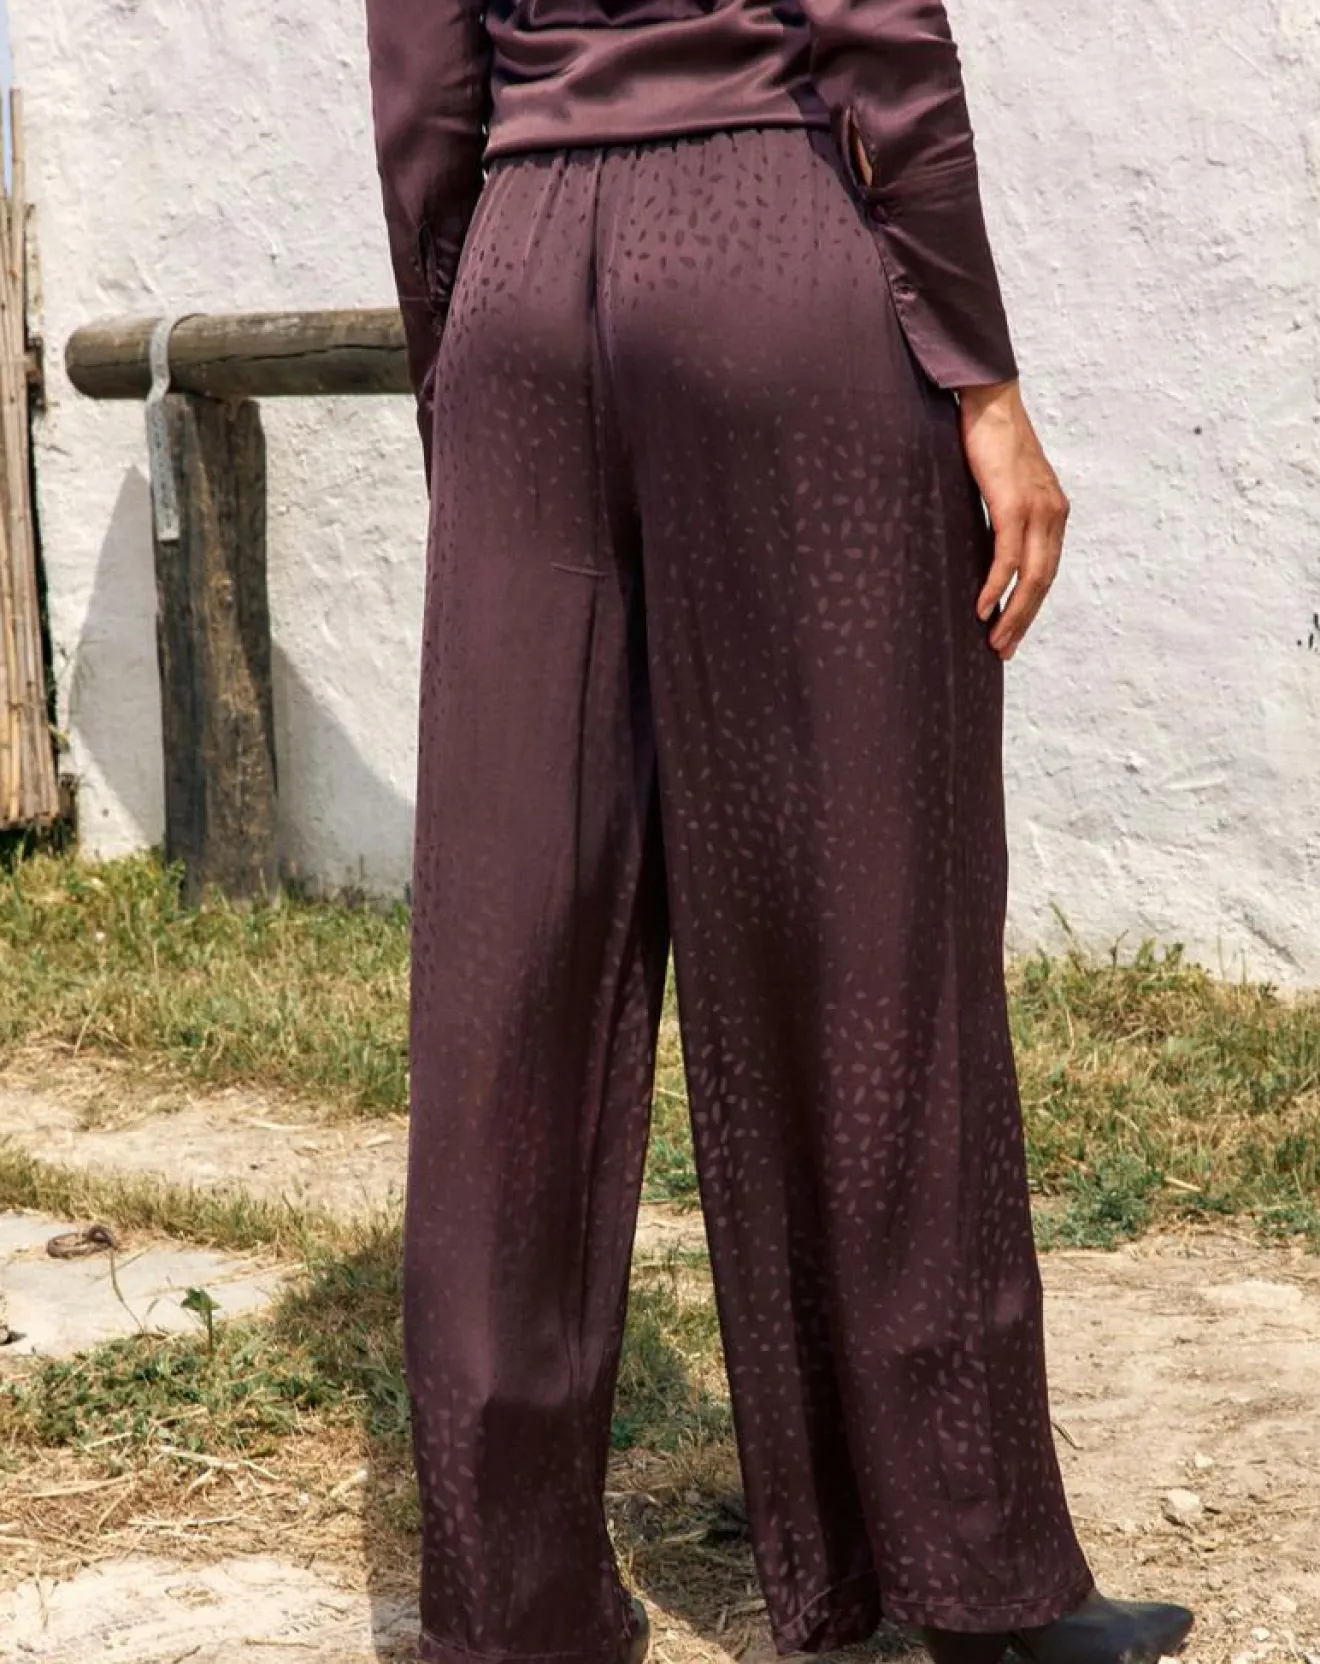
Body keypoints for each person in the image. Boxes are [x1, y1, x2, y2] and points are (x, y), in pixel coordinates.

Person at [360, 4, 1197, 1664]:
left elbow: (421, 96)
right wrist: (984, 381)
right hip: (767, 241)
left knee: (508, 968)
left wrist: (469, 364)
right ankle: (972, 1578)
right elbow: (879, 31)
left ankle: (509, 1613)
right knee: (874, 931)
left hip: (519, 277)